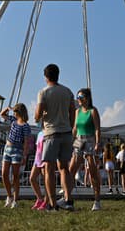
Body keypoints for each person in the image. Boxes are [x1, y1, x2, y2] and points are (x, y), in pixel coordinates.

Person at [34, 63, 75, 211]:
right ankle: (68, 199)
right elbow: (72, 112)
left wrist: (40, 115)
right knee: (64, 168)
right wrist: (69, 126)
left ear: (46, 77)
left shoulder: (43, 93)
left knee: (49, 168)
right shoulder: (68, 92)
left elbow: (38, 114)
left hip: (51, 133)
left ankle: (52, 203)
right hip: (66, 133)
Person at [68, 87, 103, 211]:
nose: (79, 100)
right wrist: (70, 140)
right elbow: (75, 128)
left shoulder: (93, 111)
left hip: (90, 140)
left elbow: (98, 128)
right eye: (77, 98)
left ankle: (97, 200)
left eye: (81, 97)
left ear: (87, 98)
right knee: (71, 169)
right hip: (79, 139)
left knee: (92, 171)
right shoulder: (77, 112)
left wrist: (98, 143)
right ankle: (67, 198)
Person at [0, 102, 33, 208]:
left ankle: (15, 200)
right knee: (4, 174)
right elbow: (2, 114)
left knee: (15, 176)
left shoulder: (26, 126)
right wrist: (9, 108)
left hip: (17, 150)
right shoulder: (13, 120)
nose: (13, 113)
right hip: (7, 148)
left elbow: (26, 142)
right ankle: (9, 196)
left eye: (15, 111)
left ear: (19, 112)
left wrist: (24, 155)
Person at [29, 129, 47, 210]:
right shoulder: (40, 133)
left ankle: (46, 201)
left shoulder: (49, 132)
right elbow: (37, 147)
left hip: (45, 158)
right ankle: (40, 198)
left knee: (46, 181)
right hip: (38, 159)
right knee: (32, 178)